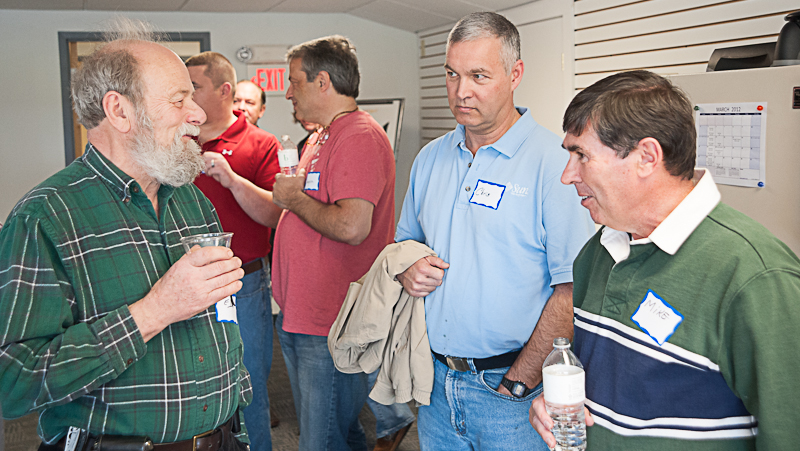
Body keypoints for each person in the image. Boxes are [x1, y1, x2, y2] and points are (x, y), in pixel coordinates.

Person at [0, 18, 252, 449]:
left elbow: (220, 324)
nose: (198, 115)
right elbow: (12, 382)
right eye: (179, 99)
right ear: (119, 111)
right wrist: (154, 311)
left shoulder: (190, 198)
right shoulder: (45, 217)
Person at [529, 70, 800, 450]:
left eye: (582, 156)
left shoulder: (756, 276)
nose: (567, 175)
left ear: (646, 157)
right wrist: (556, 400)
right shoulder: (598, 252)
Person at [394, 12, 594, 451]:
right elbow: (403, 245)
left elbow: (572, 289)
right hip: (435, 384)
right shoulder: (429, 159)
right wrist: (407, 267)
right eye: (452, 74)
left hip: (512, 392)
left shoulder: (554, 164)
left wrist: (520, 379)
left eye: (478, 76)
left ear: (514, 74)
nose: (461, 91)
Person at [271, 35, 396, 451]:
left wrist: (293, 199)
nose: (288, 93)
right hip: (303, 314)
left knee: (319, 441)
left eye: (295, 82)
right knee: (340, 432)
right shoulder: (323, 136)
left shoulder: (359, 136)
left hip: (330, 320)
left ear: (322, 81)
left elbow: (352, 226)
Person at [186, 52, 282, 451]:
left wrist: (231, 179)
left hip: (239, 287)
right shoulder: (175, 141)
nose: (186, 95)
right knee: (190, 385)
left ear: (224, 90)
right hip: (184, 286)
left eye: (194, 87)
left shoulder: (260, 143)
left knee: (248, 384)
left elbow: (274, 214)